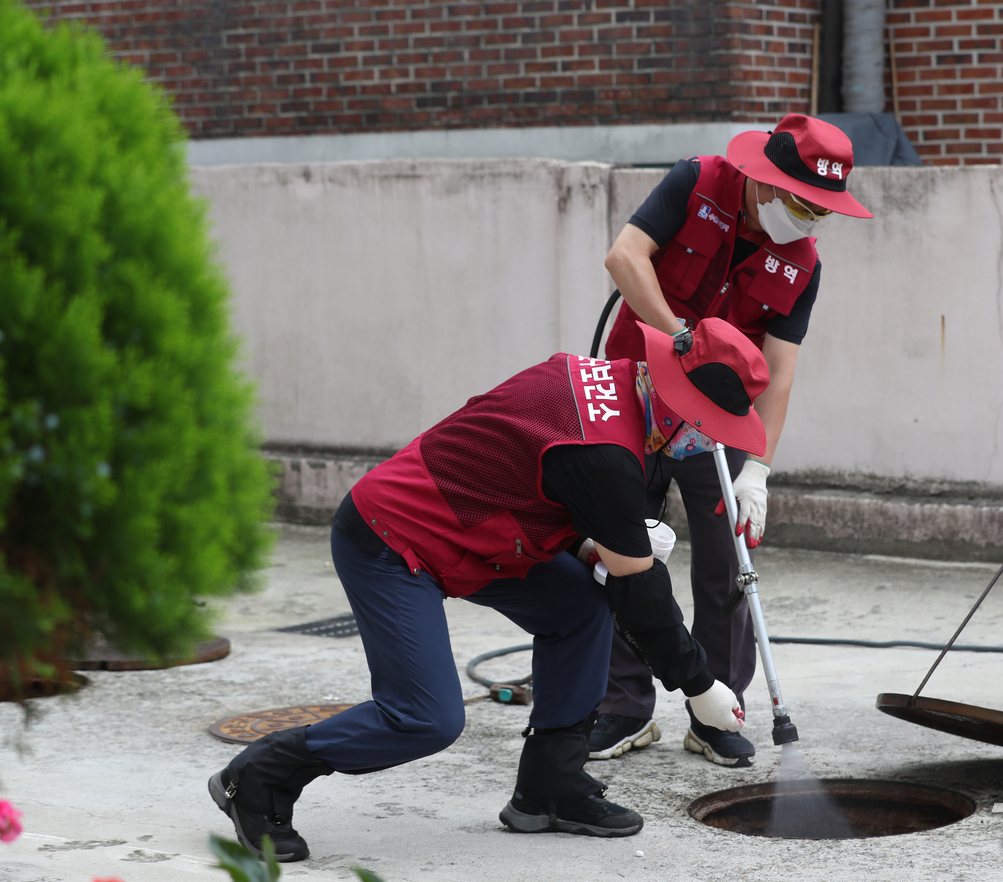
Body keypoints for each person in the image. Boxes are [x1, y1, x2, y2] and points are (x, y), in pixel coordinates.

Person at [208, 318, 769, 860]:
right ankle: (258, 777)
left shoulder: (596, 379)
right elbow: (642, 596)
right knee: (425, 718)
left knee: (579, 603)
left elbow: (515, 470)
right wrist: (700, 686)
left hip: (479, 538)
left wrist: (588, 544)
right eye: (706, 429)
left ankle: (550, 787)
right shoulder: (606, 456)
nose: (707, 444)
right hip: (391, 538)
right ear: (674, 404)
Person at [591, 114, 873, 767]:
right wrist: (678, 335)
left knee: (727, 564)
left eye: (824, 211)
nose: (811, 221)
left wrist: (761, 471)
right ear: (766, 183)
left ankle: (714, 709)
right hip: (631, 393)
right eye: (805, 205)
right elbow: (624, 258)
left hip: (718, 418)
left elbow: (779, 370)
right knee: (622, 550)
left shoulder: (802, 263)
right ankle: (622, 707)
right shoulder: (695, 183)